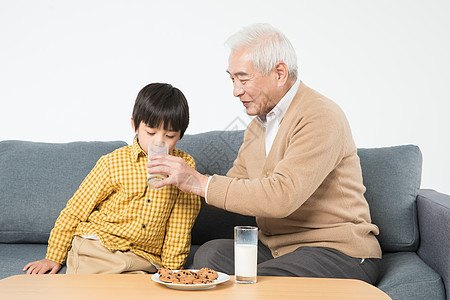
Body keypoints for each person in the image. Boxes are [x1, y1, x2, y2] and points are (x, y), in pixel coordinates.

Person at [147, 23, 382, 284]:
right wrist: (170, 193)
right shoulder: (258, 127)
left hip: (337, 252)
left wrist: (199, 182)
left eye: (243, 79)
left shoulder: (320, 116)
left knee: (254, 281)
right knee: (210, 255)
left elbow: (282, 195)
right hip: (277, 250)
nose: (236, 91)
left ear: (279, 73)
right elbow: (237, 187)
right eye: (232, 79)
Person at [23, 83, 201, 274]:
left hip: (142, 257)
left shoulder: (184, 167)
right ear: (134, 125)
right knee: (89, 279)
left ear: (180, 135)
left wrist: (171, 269)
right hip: (99, 244)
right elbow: (76, 209)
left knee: (140, 287)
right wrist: (53, 256)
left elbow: (181, 223)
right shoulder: (113, 162)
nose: (159, 142)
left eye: (169, 135)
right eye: (150, 132)